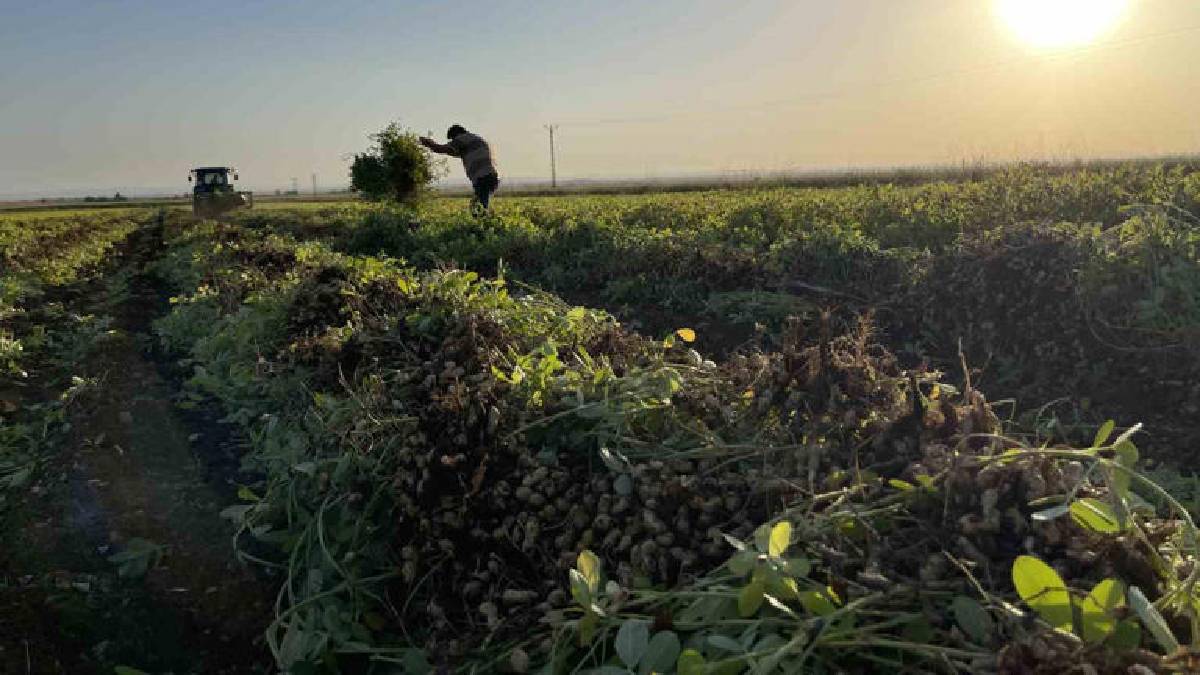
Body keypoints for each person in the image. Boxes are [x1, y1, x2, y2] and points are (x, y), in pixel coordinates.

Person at [420, 125, 499, 215]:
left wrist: (427, 143)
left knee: (478, 209)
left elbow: (441, 149)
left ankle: (486, 226)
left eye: (452, 139)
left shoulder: (461, 139)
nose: (453, 142)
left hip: (483, 178)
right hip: (491, 176)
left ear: (455, 134)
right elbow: (456, 152)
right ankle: (489, 222)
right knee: (479, 206)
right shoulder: (475, 139)